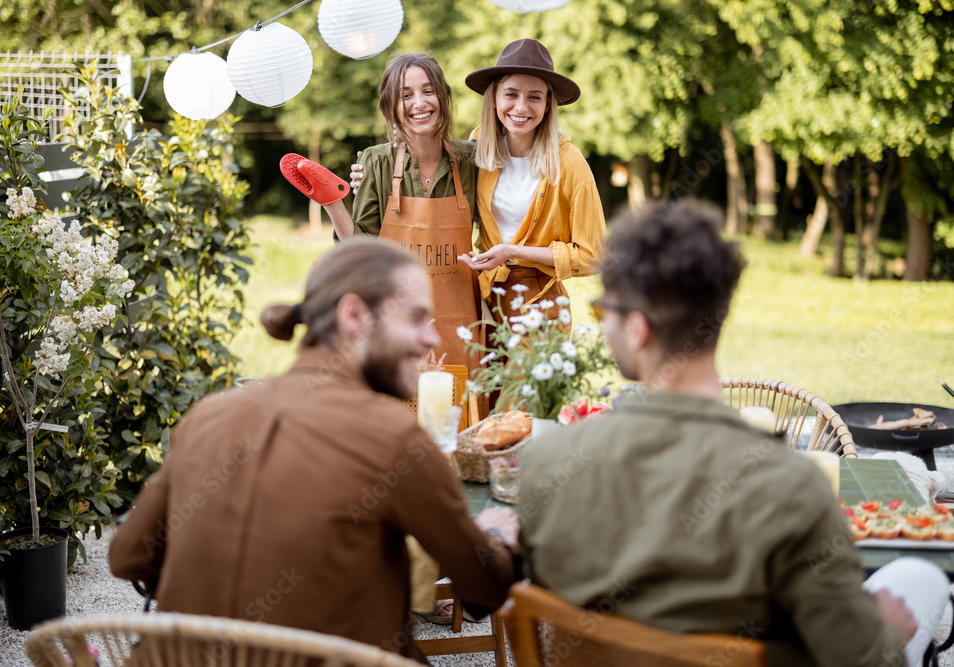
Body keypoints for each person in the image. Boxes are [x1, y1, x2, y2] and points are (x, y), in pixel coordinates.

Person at [517, 200, 948, 667]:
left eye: (604, 312)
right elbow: (859, 658)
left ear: (638, 329)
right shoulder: (791, 488)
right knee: (917, 579)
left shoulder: (548, 463)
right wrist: (885, 632)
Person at [109, 238, 518, 661]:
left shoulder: (207, 415)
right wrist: (494, 535)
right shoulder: (395, 437)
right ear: (355, 315)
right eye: (416, 318)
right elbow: (484, 589)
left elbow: (128, 556)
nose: (431, 338)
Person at [283, 53, 480, 373]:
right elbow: (362, 249)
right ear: (391, 106)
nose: (420, 103)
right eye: (406, 95)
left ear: (443, 96)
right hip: (395, 319)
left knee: (462, 413)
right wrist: (332, 203)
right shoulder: (377, 161)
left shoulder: (471, 160)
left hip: (460, 320)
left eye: (428, 91)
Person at [456, 38, 606, 325]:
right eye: (511, 94)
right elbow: (429, 175)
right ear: (495, 98)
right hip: (483, 299)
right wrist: (370, 173)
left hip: (540, 303)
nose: (521, 107)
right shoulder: (479, 148)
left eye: (534, 97)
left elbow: (593, 255)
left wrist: (511, 252)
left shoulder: (570, 165)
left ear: (548, 104)